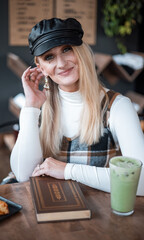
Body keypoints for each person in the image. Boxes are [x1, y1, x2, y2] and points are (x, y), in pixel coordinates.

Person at [10, 17, 144, 195]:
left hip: (100, 216)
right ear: (40, 67)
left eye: (67, 49)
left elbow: (141, 181)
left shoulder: (117, 107)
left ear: (82, 52)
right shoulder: (38, 107)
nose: (62, 63)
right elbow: (23, 175)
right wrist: (30, 107)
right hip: (50, 209)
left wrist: (68, 170)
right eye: (49, 57)